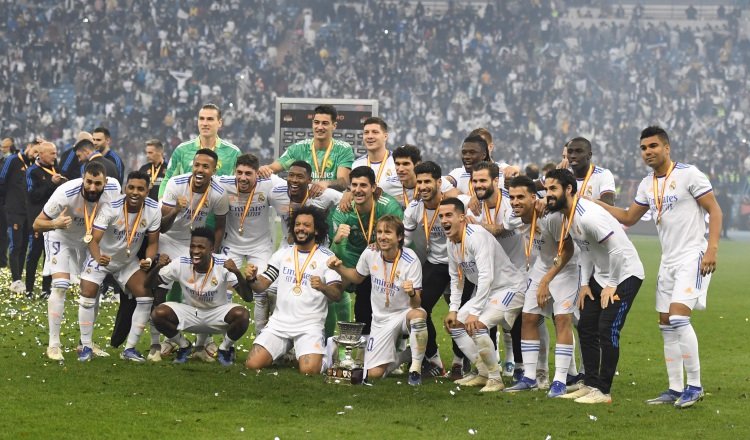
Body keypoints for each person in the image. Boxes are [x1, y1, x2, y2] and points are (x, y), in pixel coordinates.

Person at [596, 126, 722, 408]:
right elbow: (629, 217)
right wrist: (593, 205)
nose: (648, 152)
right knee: (665, 324)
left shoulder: (689, 174)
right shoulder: (646, 184)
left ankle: (695, 386)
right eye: (643, 148)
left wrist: (711, 249)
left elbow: (714, 210)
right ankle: (675, 388)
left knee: (678, 318)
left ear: (667, 148)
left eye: (653, 146)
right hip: (668, 261)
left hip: (693, 254)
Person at [544, 168, 645, 404]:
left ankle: (603, 391)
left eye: (552, 189)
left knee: (607, 328)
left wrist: (611, 285)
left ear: (568, 189)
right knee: (587, 326)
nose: (547, 194)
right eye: (546, 189)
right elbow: (586, 250)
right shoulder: (567, 216)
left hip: (625, 274)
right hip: (600, 276)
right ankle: (589, 383)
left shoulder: (588, 215)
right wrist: (584, 284)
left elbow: (618, 250)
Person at [33, 161, 122, 361]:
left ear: (105, 182)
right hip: (61, 237)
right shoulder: (65, 193)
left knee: (93, 287)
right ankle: (54, 345)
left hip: (90, 241)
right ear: (83, 178)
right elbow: (37, 224)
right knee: (61, 285)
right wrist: (55, 223)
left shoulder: (114, 188)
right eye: (88, 182)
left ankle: (86, 344)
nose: (92, 187)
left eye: (97, 183)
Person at [439, 197, 527, 393]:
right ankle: (482, 372)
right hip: (486, 292)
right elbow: (456, 278)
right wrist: (454, 310)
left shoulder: (476, 235)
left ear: (462, 217)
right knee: (455, 326)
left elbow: (487, 275)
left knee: (477, 324)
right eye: (441, 216)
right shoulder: (451, 242)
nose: (444, 220)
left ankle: (496, 379)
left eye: (449, 215)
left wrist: (475, 311)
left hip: (510, 288)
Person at [328, 215, 428, 385]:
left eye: (388, 232)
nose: (382, 236)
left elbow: (416, 304)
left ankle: (415, 369)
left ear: (400, 237)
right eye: (379, 232)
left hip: (404, 314)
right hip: (380, 320)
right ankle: (404, 356)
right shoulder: (370, 253)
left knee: (418, 315)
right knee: (374, 374)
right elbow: (357, 278)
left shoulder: (411, 260)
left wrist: (412, 293)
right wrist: (339, 268)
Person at [504, 176, 581, 397]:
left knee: (562, 319)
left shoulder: (552, 217)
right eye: (512, 197)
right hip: (541, 267)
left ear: (533, 197)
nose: (515, 202)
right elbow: (509, 221)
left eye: (521, 197)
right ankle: (529, 377)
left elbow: (567, 251)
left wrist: (547, 280)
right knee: (528, 317)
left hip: (566, 268)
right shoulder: (514, 216)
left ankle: (560, 380)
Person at [245, 206, 344, 374]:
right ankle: (283, 351)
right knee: (252, 364)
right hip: (279, 324)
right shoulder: (282, 253)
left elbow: (337, 295)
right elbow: (262, 285)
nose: (301, 229)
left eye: (306, 225)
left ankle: (328, 353)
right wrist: (252, 278)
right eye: (298, 224)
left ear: (317, 230)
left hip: (309, 325)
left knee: (309, 371)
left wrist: (323, 287)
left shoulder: (327, 258)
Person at [78, 171, 161, 362]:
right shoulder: (111, 207)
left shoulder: (153, 209)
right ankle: (85, 346)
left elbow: (153, 243)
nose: (135, 192)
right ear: (125, 188)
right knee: (88, 292)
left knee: (146, 295)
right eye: (131, 187)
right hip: (103, 257)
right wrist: (98, 257)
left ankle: (130, 349)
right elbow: (92, 239)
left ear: (147, 191)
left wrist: (148, 260)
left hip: (127, 262)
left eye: (140, 189)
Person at [157, 148, 229, 361]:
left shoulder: (218, 193)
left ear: (214, 170)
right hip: (169, 239)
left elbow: (220, 226)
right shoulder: (176, 184)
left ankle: (201, 344)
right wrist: (176, 210)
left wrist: (212, 251)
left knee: (203, 287)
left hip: (194, 243)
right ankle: (168, 340)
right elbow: (162, 226)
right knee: (161, 287)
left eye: (206, 166)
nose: (200, 170)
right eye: (197, 165)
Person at [403, 161, 469, 377]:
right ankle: (434, 359)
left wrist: (476, 199)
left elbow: (478, 202)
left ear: (439, 182)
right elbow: (405, 242)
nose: (422, 186)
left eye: (427, 182)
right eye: (419, 182)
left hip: (460, 263)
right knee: (420, 310)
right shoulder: (414, 209)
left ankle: (460, 361)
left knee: (461, 312)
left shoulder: (457, 203)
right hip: (435, 264)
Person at [148, 227, 251, 366]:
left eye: (201, 247)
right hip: (191, 313)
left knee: (242, 314)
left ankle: (224, 348)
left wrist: (237, 273)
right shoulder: (181, 262)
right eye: (193, 246)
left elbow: (248, 297)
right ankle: (184, 345)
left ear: (211, 249)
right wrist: (157, 267)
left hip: (217, 314)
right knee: (158, 313)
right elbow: (148, 284)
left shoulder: (223, 263)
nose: (195, 251)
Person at [268, 160, 343, 336]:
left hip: (317, 253)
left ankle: (317, 337)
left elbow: (348, 199)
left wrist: (337, 227)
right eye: (291, 175)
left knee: (316, 297)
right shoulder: (276, 193)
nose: (294, 180)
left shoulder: (324, 194)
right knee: (270, 293)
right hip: (288, 250)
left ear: (309, 180)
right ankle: (267, 331)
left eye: (300, 177)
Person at [328, 166, 403, 339]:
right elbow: (335, 252)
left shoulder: (388, 207)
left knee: (383, 303)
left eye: (363, 185)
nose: (358, 190)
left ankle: (396, 347)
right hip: (352, 259)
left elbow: (399, 240)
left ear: (373, 188)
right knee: (329, 293)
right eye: (354, 185)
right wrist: (338, 242)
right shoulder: (343, 211)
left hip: (382, 259)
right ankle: (326, 342)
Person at [216, 153, 286, 335]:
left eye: (248, 173)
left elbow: (296, 186)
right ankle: (225, 343)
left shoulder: (269, 182)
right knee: (222, 288)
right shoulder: (225, 183)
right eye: (239, 173)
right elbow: (203, 179)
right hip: (231, 245)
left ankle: (261, 338)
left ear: (257, 174)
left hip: (260, 246)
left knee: (263, 291)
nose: (243, 178)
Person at [258, 104, 354, 191]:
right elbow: (273, 168)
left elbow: (343, 182)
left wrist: (326, 183)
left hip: (332, 206)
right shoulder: (298, 148)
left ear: (334, 126)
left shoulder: (343, 149)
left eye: (325, 123)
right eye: (316, 122)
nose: (319, 127)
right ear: (312, 123)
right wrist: (265, 169)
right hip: (305, 204)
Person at [158, 104, 241, 199]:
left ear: (220, 123)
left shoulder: (233, 152)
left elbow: (241, 182)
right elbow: (168, 179)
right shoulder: (182, 150)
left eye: (210, 119)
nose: (205, 123)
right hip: (188, 211)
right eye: (201, 119)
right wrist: (162, 203)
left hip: (220, 212)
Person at [25, 142, 66, 299]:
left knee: (50, 256)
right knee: (34, 255)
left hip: (54, 221)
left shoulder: (56, 169)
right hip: (38, 220)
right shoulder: (32, 171)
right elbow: (32, 195)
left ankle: (45, 289)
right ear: (40, 154)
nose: (55, 156)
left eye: (55, 153)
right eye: (51, 153)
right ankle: (29, 289)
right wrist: (51, 183)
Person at [0, 139, 39, 295]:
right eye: (35, 151)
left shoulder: (32, 165)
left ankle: (19, 279)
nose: (36, 155)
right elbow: (1, 180)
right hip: (13, 210)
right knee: (15, 246)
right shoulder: (13, 160)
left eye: (39, 153)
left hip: (26, 212)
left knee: (23, 246)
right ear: (28, 147)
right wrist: (5, 204)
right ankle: (15, 280)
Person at [378, 144, 458, 210]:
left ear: (417, 164)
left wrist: (441, 196)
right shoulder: (386, 184)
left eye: (406, 164)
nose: (400, 169)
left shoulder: (432, 180)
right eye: (397, 164)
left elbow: (455, 193)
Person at [565, 137, 616, 206]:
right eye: (570, 152)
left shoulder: (603, 174)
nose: (573, 156)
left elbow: (608, 202)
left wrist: (576, 202)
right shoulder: (563, 175)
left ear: (589, 155)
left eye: (579, 151)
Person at [351, 117, 396, 185]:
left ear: (385, 136)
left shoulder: (397, 162)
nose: (370, 136)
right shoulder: (357, 165)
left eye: (375, 132)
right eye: (366, 132)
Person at [0, 137, 16, 269]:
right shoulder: (2, 161)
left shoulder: (15, 161)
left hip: (8, 202)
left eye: (4, 147)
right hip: (3, 201)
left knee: (5, 233)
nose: (2, 150)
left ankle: (4, 261)